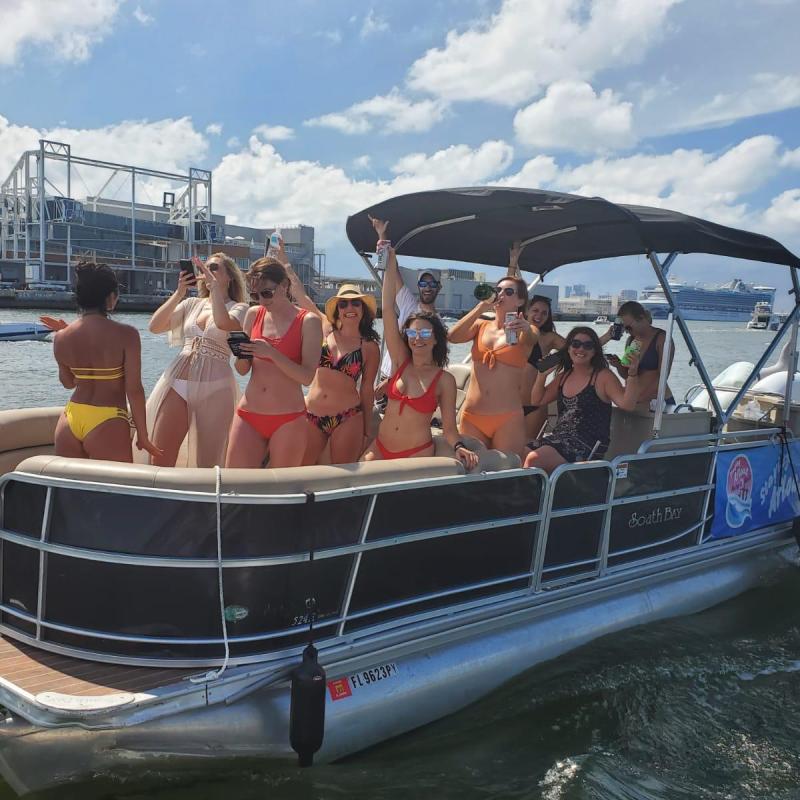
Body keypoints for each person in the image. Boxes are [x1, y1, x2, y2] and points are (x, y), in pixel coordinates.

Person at [362, 243, 478, 470]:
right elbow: (386, 308)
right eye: (412, 333)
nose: (418, 338)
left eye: (425, 333)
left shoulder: (444, 380)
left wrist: (459, 447)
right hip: (379, 448)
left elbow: (449, 429)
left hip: (415, 454)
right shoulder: (399, 363)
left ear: (436, 339)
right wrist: (388, 261)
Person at [145, 254, 249, 467]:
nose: (207, 271)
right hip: (178, 379)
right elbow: (154, 327)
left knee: (209, 459)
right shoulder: (192, 304)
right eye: (205, 268)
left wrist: (215, 292)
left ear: (230, 277)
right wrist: (179, 293)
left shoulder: (239, 308)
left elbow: (222, 323)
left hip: (216, 386)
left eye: (214, 268)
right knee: (160, 454)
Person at [51, 262, 160, 463]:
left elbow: (68, 382)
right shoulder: (127, 334)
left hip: (71, 417)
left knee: (70, 492)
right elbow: (134, 390)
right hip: (108, 419)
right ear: (110, 297)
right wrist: (143, 435)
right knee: (115, 491)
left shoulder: (61, 337)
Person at [226, 257, 322, 468]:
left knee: (280, 489)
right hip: (249, 413)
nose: (261, 300)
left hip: (288, 417)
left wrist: (271, 353)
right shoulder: (253, 314)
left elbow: (307, 377)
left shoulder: (308, 322)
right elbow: (242, 370)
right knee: (234, 483)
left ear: (285, 285)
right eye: (255, 295)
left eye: (267, 293)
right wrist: (241, 352)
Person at [284, 260, 381, 464]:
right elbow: (302, 297)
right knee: (301, 468)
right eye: (343, 304)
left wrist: (366, 430)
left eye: (356, 303)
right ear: (338, 310)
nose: (349, 307)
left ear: (363, 309)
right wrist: (285, 263)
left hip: (347, 417)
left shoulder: (369, 347)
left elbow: (366, 389)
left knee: (342, 474)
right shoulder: (325, 329)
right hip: (312, 414)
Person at [448, 264, 537, 458]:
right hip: (472, 416)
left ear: (520, 300)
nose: (501, 294)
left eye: (509, 291)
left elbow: (531, 340)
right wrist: (481, 307)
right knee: (470, 473)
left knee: (505, 476)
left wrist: (527, 329)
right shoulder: (480, 325)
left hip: (507, 418)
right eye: (498, 290)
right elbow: (452, 336)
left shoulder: (525, 331)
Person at [524, 327, 640, 474]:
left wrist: (633, 374)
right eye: (576, 344)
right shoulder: (564, 376)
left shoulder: (603, 376)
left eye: (588, 345)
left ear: (594, 351)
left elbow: (627, 404)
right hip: (560, 438)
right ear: (568, 348)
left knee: (534, 459)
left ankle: (526, 496)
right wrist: (542, 376)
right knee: (522, 452)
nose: (581, 349)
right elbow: (537, 401)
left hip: (586, 444)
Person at [370, 215, 443, 390]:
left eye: (432, 283)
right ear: (418, 287)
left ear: (439, 287)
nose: (427, 287)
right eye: (423, 283)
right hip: (387, 375)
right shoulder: (408, 303)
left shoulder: (439, 323)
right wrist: (382, 235)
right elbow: (393, 273)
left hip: (407, 381)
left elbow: (429, 359)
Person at [602, 301, 675, 408]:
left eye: (628, 327)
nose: (626, 331)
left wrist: (636, 398)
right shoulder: (631, 340)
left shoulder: (662, 339)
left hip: (658, 403)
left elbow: (662, 378)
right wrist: (618, 365)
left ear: (641, 318)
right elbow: (628, 376)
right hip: (635, 401)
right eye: (624, 328)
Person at [521, 294, 567, 440]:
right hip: (507, 405)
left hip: (533, 407)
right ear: (527, 311)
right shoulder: (510, 332)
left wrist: (607, 336)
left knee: (526, 453)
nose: (539, 315)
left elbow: (580, 349)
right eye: (535, 310)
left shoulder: (549, 338)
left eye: (544, 313)